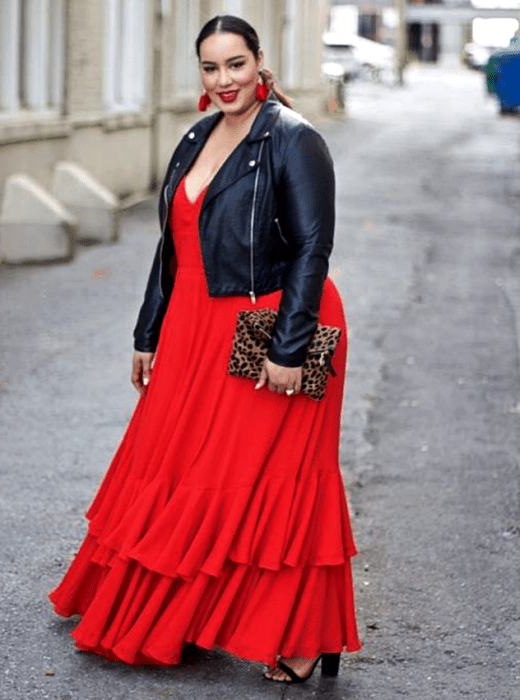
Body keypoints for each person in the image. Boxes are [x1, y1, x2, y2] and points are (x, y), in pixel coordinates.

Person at [49, 14, 361, 684]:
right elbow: (173, 246)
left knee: (271, 480)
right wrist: (148, 331)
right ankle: (186, 615)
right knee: (183, 468)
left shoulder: (293, 138)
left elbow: (313, 248)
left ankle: (305, 635)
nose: (224, 80)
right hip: (191, 325)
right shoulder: (196, 135)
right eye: (212, 68)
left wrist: (288, 345)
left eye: (236, 65)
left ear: (259, 63)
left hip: (265, 323)